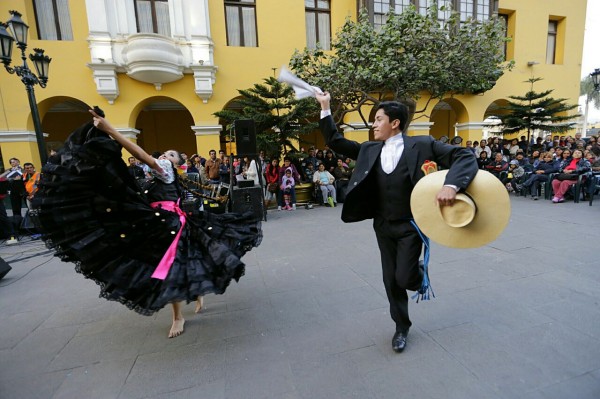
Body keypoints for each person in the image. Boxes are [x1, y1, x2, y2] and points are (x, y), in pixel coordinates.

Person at [33, 108, 262, 338]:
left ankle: (178, 316)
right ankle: (196, 295)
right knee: (174, 266)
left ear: (177, 164)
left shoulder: (165, 170)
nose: (165, 156)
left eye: (171, 155)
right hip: (156, 224)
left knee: (169, 270)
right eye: (164, 153)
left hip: (170, 227)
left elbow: (141, 155)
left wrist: (110, 129)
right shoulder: (154, 178)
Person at [315, 92, 477, 353]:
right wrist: (325, 107)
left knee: (405, 277)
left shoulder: (423, 145)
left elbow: (464, 156)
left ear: (395, 123)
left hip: (411, 225)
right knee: (390, 281)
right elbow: (335, 141)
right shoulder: (369, 149)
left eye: (378, 119)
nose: (373, 124)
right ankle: (401, 326)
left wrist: (451, 185)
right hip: (382, 225)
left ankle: (418, 275)